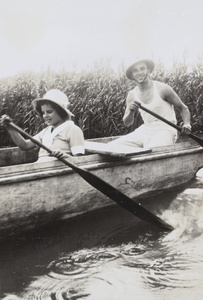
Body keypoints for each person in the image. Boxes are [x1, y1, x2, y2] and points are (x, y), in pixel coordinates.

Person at [108, 58, 191, 150]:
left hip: (166, 129)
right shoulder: (132, 94)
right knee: (110, 148)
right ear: (132, 75)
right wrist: (131, 112)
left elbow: (183, 108)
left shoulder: (162, 88)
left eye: (142, 68)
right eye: (135, 71)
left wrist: (187, 124)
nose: (139, 72)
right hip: (146, 129)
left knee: (151, 150)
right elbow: (127, 123)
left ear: (148, 70)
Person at [1, 89, 85, 162]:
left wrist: (66, 156)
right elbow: (24, 146)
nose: (45, 116)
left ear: (60, 112)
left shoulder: (73, 130)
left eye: (49, 112)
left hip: (59, 173)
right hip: (41, 169)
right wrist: (10, 128)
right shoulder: (46, 132)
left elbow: (80, 161)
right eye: (43, 113)